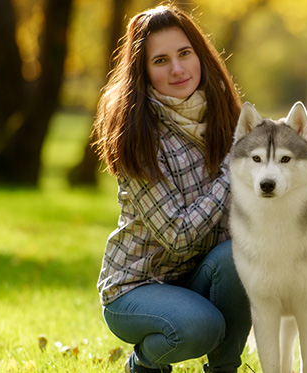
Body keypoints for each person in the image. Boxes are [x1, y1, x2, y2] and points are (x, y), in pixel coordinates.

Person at [93, 4, 250, 373]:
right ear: (143, 72)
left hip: (196, 276)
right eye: (160, 60)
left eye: (184, 53)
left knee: (240, 255)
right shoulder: (136, 134)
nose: (177, 69)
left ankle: (225, 369)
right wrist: (233, 171)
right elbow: (178, 236)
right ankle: (144, 364)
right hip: (137, 286)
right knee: (200, 328)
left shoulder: (225, 117)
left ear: (201, 56)